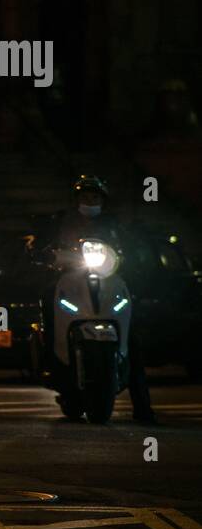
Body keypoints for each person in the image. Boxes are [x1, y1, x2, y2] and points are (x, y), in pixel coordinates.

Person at [36, 175, 154, 423]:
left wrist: (137, 256)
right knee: (48, 297)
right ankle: (50, 358)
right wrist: (44, 251)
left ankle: (143, 406)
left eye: (95, 196)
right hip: (71, 278)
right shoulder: (61, 220)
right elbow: (43, 243)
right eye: (85, 196)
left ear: (102, 200)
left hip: (108, 281)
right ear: (77, 199)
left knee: (132, 334)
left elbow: (131, 248)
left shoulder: (113, 224)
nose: (90, 200)